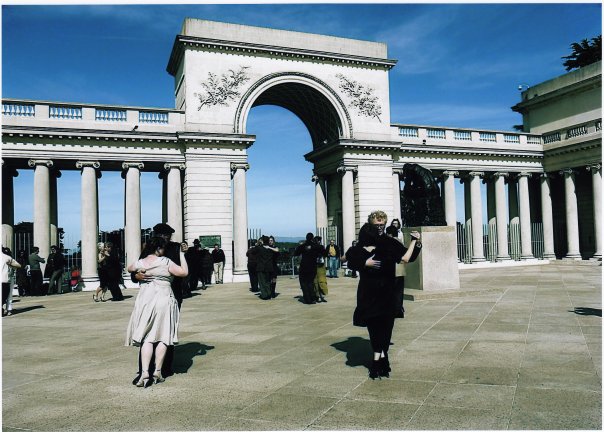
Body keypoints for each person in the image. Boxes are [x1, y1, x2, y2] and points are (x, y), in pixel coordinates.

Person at [346, 211, 422, 380]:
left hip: (388, 291)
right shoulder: (362, 244)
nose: (380, 228)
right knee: (374, 327)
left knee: (386, 327)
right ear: (370, 225)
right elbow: (349, 258)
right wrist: (364, 263)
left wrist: (416, 243)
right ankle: (381, 358)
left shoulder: (389, 242)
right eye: (376, 225)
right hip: (369, 293)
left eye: (382, 225)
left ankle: (380, 358)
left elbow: (407, 257)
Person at [125, 236, 188, 387]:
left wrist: (139, 273)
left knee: (147, 338)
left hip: (145, 299)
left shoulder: (141, 263)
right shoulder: (165, 261)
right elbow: (183, 272)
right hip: (163, 298)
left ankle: (145, 372)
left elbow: (129, 268)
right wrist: (182, 255)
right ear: (159, 248)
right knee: (163, 337)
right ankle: (158, 372)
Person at [294, 233, 324, 304]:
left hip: (304, 266)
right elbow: (324, 252)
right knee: (310, 282)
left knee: (304, 283)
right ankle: (312, 298)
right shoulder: (316, 246)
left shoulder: (302, 246)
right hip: (312, 266)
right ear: (312, 238)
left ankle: (307, 299)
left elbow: (296, 253)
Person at [386, 224, 406, 318]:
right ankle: (399, 310)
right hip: (401, 270)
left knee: (391, 292)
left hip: (392, 270)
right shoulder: (400, 242)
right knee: (399, 292)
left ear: (389, 234)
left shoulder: (390, 242)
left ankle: (394, 310)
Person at [255, 236, 278, 300]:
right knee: (268, 282)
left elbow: (251, 252)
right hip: (269, 268)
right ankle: (269, 294)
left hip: (261, 267)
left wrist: (257, 244)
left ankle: (265, 295)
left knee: (262, 282)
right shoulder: (270, 249)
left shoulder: (259, 248)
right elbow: (277, 251)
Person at [2, 247, 20, 317]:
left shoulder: (10, 259)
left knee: (8, 295)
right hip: (5, 278)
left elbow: (17, 266)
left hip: (9, 278)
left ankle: (9, 309)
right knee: (6, 295)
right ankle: (6, 309)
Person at [313, 236, 328, 303]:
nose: (319, 241)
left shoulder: (313, 247)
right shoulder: (321, 247)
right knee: (320, 280)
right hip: (320, 265)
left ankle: (319, 296)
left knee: (317, 281)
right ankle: (320, 296)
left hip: (316, 265)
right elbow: (325, 254)